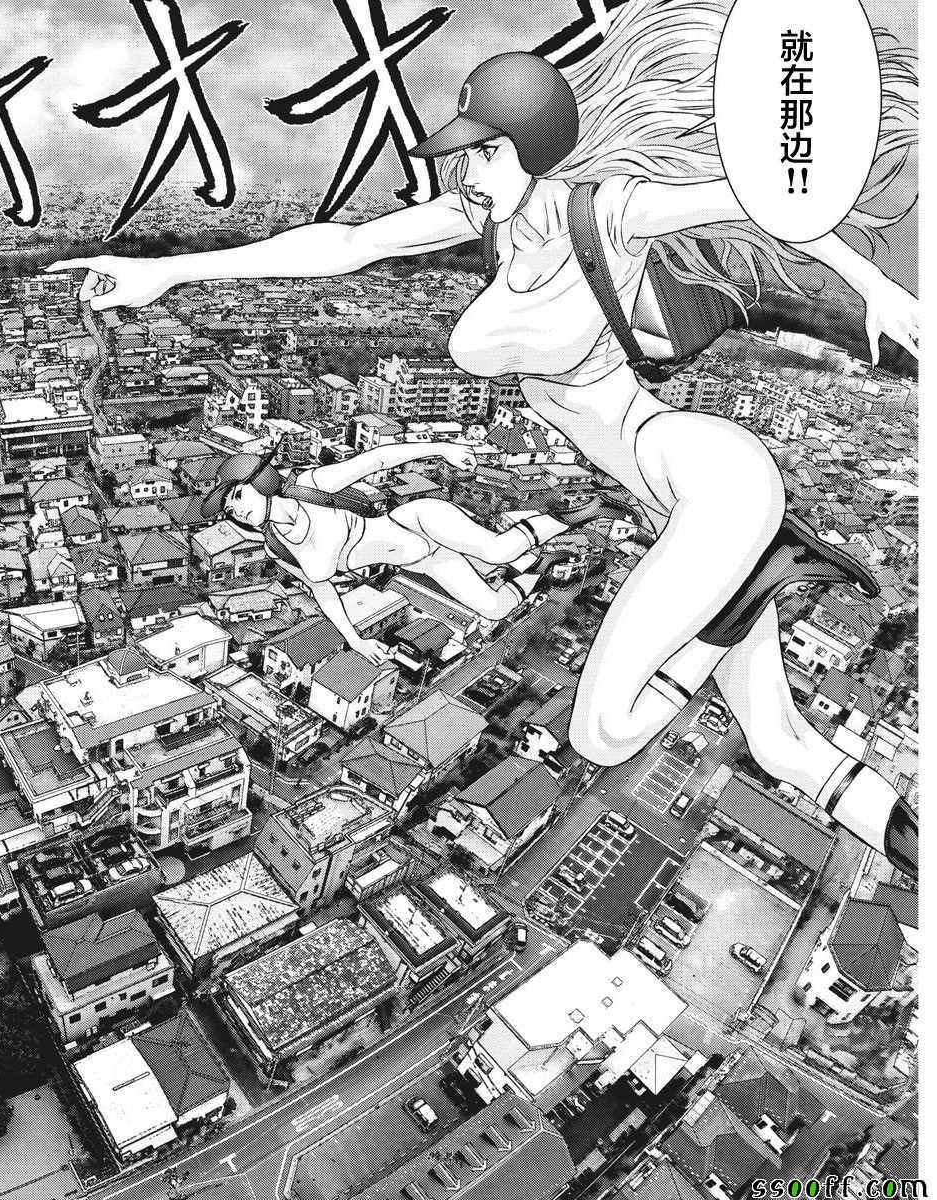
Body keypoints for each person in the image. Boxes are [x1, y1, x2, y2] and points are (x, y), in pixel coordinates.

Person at [51, 0, 918, 876]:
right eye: (461, 152)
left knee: (603, 731)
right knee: (779, 743)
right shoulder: (486, 219)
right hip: (668, 499)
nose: (466, 170)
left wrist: (875, 287)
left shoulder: (610, 211)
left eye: (486, 151)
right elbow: (342, 246)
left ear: (535, 149)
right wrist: (167, 271)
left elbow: (763, 198)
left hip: (707, 475)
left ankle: (764, 573)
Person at [199, 444, 631, 659]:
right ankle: (543, 566)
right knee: (495, 607)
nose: (236, 509)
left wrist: (441, 448)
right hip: (423, 560)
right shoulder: (278, 547)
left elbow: (378, 459)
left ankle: (579, 510)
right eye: (229, 509)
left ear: (260, 479)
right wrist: (355, 639)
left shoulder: (312, 486)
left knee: (498, 550)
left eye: (236, 495)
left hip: (417, 521)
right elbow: (323, 593)